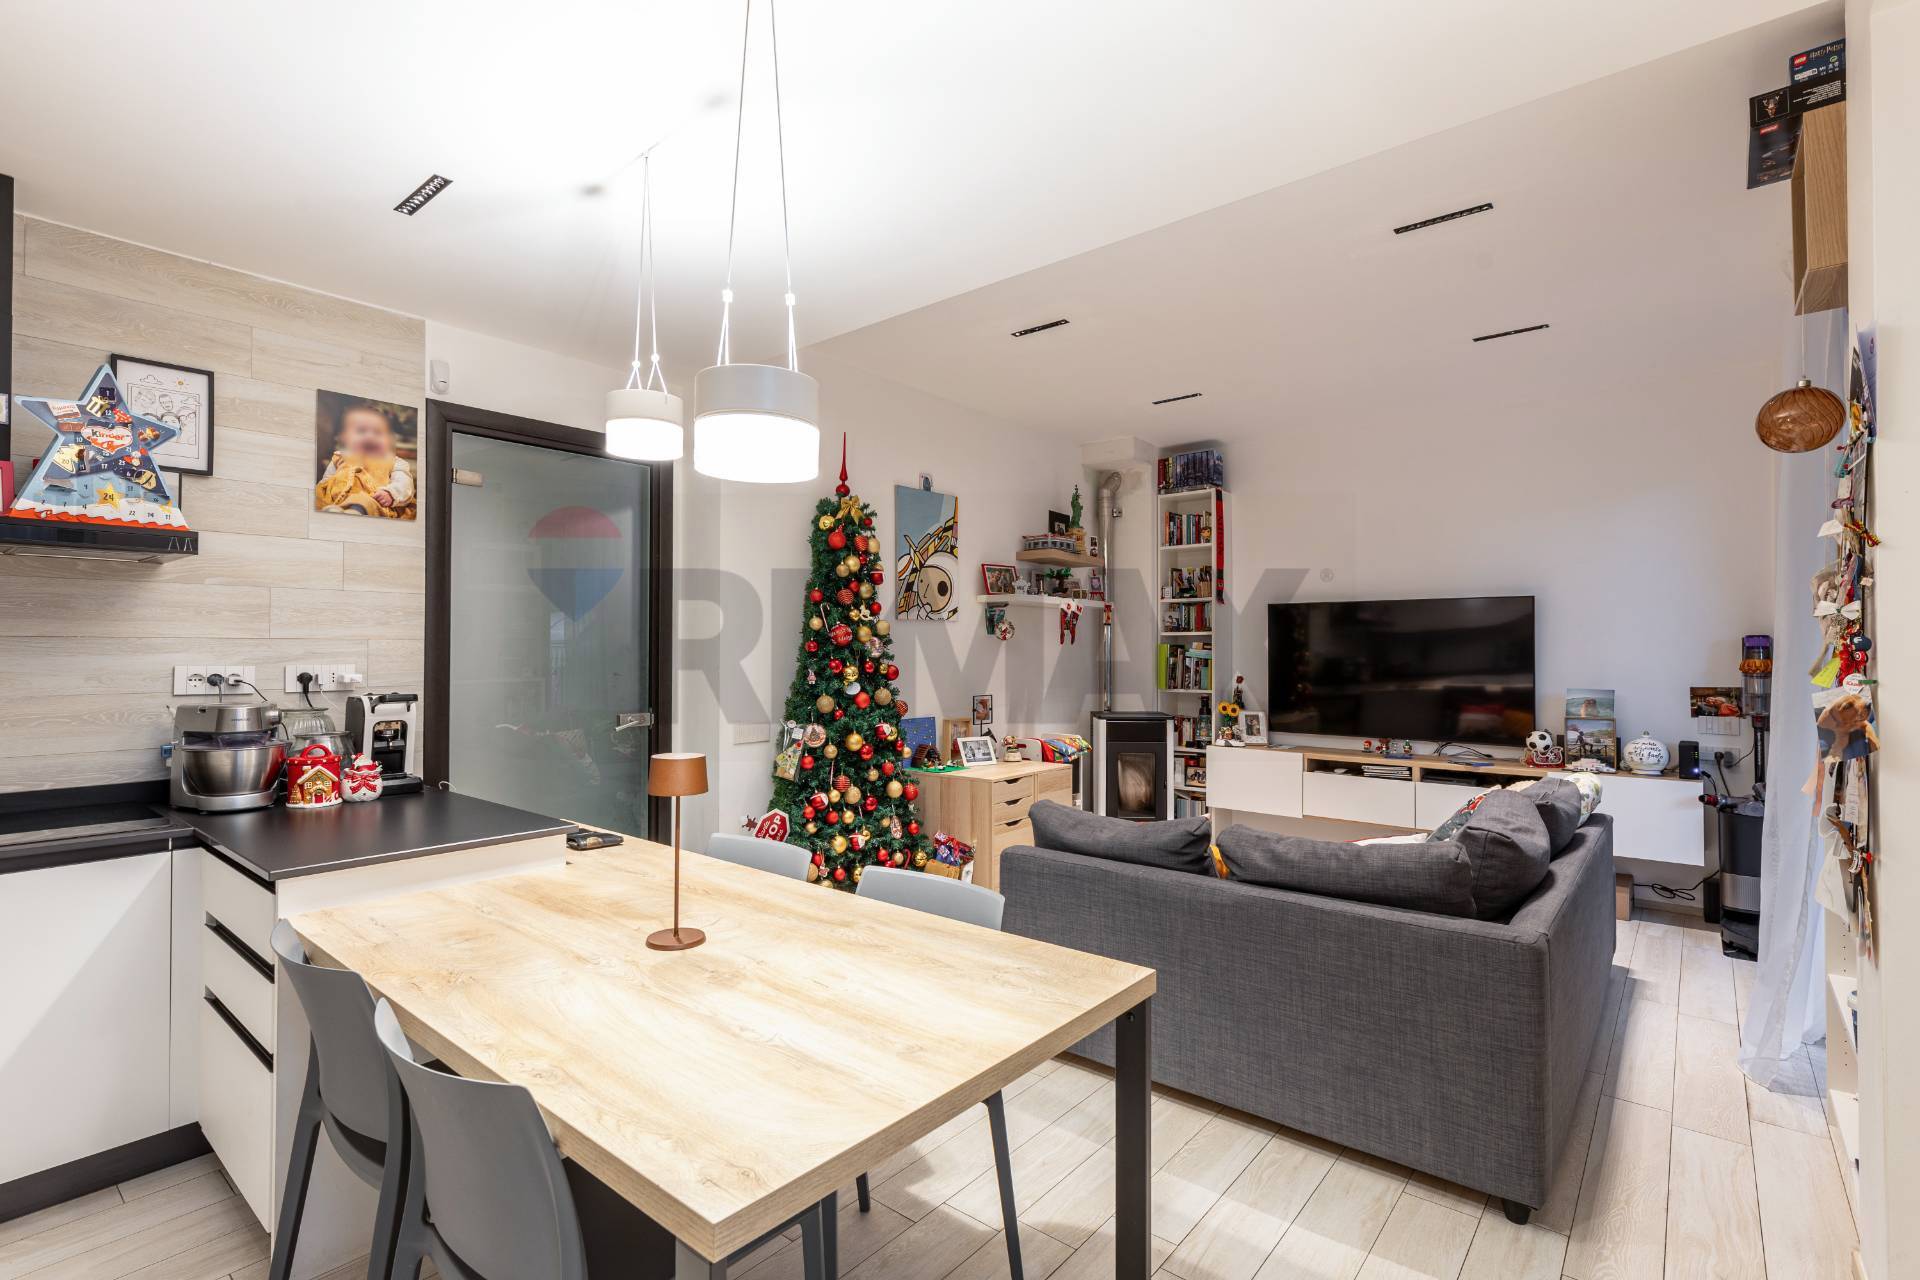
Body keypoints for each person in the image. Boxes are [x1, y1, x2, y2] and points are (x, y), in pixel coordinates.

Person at [316, 401, 415, 518]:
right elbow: (325, 482)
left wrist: (391, 493)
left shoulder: (393, 462)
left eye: (378, 432)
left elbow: (404, 484)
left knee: (365, 501)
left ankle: (354, 512)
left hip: (372, 500)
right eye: (361, 431)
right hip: (333, 500)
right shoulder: (340, 457)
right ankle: (331, 511)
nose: (370, 436)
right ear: (345, 438)